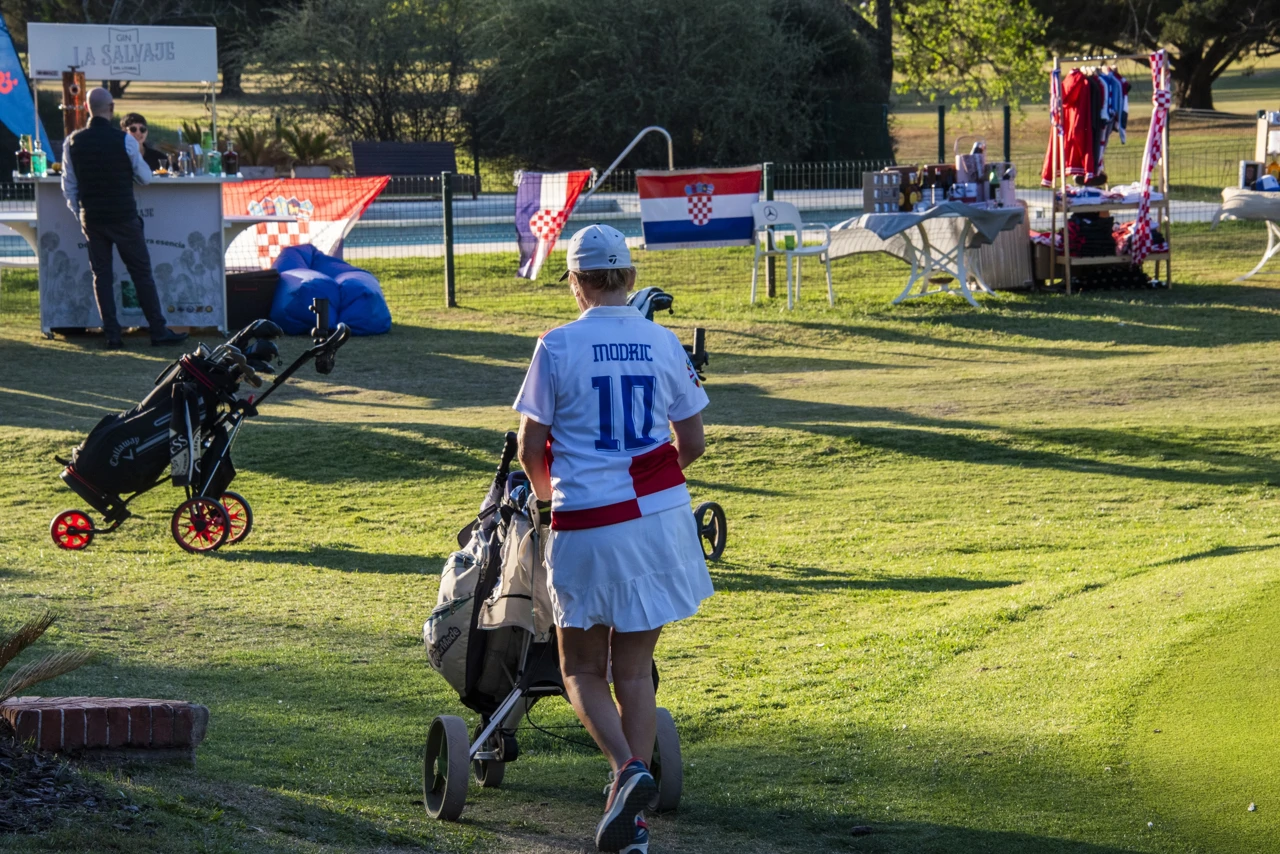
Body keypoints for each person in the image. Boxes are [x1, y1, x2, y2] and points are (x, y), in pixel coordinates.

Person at [513, 224, 714, 854]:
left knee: (579, 668)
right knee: (633, 673)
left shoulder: (557, 345)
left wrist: (549, 501)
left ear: (575, 281)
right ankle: (633, 820)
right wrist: (653, 490)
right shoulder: (661, 340)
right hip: (660, 520)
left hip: (589, 521)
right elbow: (694, 442)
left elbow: (529, 448)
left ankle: (627, 773)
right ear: (628, 277)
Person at [61, 88, 187, 349]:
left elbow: (69, 186)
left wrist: (80, 213)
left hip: (92, 217)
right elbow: (145, 178)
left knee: (102, 276)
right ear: (112, 107)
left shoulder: (72, 141)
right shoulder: (125, 141)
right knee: (141, 273)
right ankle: (157, 330)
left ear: (87, 109)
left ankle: (112, 334)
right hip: (123, 216)